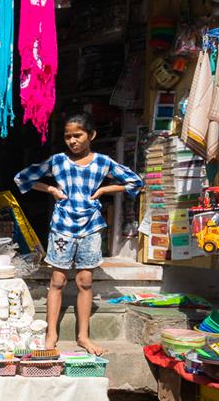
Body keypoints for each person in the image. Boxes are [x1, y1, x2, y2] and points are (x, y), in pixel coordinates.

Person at [15, 113, 142, 355]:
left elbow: (134, 181)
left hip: (91, 227)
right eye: (68, 136)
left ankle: (84, 336)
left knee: (85, 281)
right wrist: (51, 188)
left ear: (91, 135)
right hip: (62, 227)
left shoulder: (103, 162)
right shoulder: (57, 161)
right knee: (58, 281)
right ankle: (51, 334)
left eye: (77, 135)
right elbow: (23, 178)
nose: (72, 141)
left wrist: (105, 188)